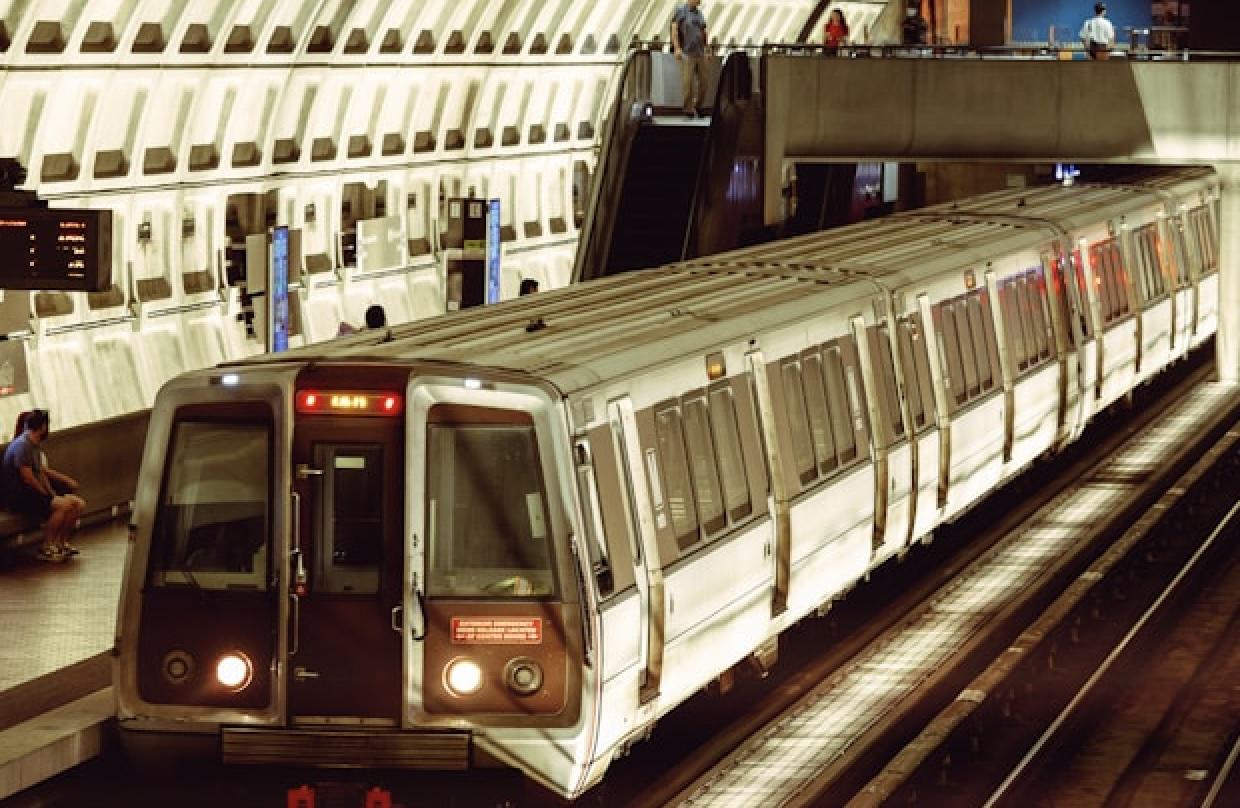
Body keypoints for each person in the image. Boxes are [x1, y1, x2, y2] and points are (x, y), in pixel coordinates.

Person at [2, 410, 85, 562]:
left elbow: (39, 473)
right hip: (20, 497)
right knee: (63, 507)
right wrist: (45, 496)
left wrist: (51, 493)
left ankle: (60, 543)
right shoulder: (23, 446)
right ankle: (47, 546)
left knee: (78, 504)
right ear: (42, 427)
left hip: (30, 492)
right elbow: (28, 477)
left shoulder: (34, 445)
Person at [671, 0, 709, 118]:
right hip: (687, 53)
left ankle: (699, 106)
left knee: (704, 82)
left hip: (700, 53)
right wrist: (677, 48)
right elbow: (674, 30)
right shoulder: (681, 11)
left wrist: (707, 49)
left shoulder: (700, 14)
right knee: (688, 83)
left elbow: (704, 32)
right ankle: (688, 109)